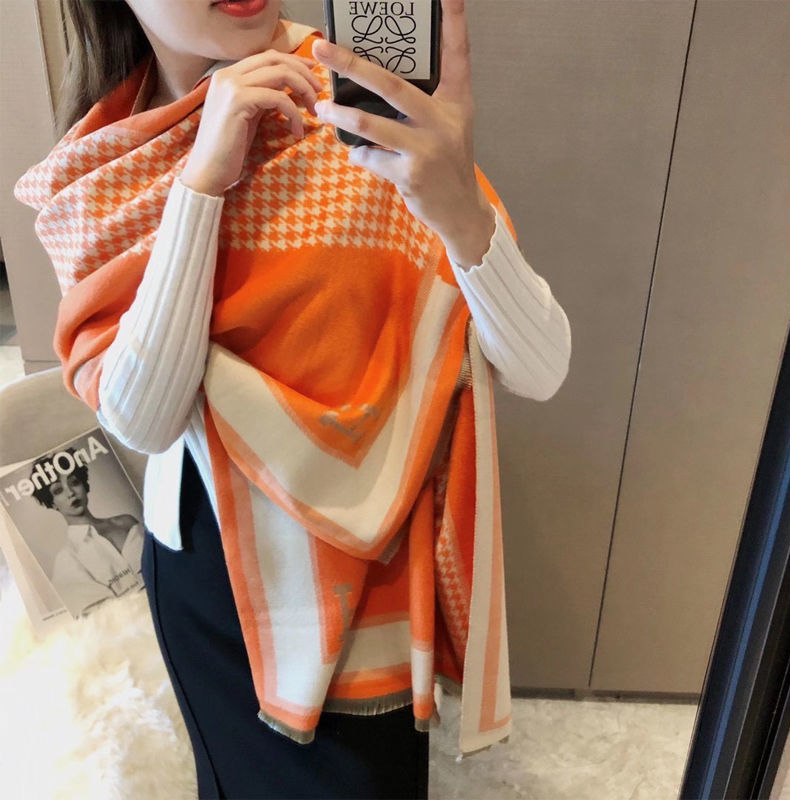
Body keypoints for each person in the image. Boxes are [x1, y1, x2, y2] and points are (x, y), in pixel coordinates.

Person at [14, 1, 572, 798]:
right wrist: (201, 185)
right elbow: (145, 417)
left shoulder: (354, 98)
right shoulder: (113, 152)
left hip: (370, 575)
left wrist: (460, 211)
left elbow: (542, 367)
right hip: (210, 566)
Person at [30, 447, 144, 616]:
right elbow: (104, 618)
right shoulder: (66, 561)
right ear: (52, 503)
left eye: (74, 482)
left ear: (84, 485)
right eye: (58, 490)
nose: (70, 493)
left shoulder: (126, 522)